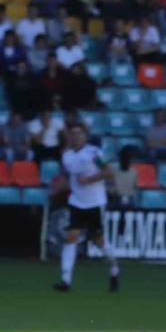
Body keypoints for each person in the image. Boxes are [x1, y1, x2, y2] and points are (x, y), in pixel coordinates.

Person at [55, 124, 121, 293]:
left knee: (99, 241)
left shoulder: (94, 153)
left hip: (94, 203)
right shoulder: (67, 155)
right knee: (71, 237)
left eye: (79, 133)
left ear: (85, 136)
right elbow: (67, 176)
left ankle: (114, 268)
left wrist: (90, 179)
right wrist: (58, 187)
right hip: (76, 202)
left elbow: (109, 171)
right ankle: (65, 280)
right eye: (73, 133)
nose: (76, 136)